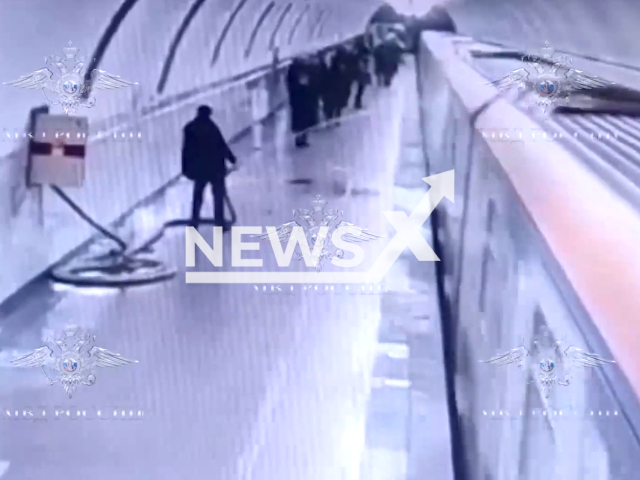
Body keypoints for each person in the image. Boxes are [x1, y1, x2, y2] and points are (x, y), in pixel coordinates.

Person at [182, 105, 236, 231]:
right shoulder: (213, 128)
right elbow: (222, 146)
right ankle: (220, 223)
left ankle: (194, 221)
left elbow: (186, 151)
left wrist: (185, 169)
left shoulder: (189, 128)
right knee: (218, 196)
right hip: (216, 169)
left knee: (197, 196)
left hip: (200, 170)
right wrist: (233, 159)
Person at [286, 57, 319, 147]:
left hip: (300, 100)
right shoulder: (296, 70)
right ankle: (300, 139)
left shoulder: (295, 70)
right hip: (301, 100)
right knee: (302, 121)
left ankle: (301, 138)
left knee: (301, 121)